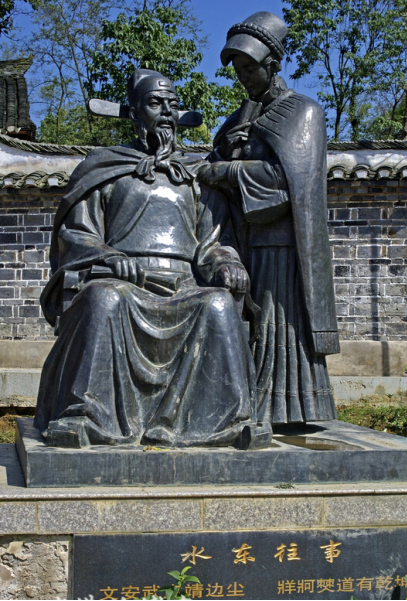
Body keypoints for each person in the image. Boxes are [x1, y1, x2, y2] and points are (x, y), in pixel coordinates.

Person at [34, 69, 271, 449]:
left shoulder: (196, 177)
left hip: (184, 284)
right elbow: (76, 234)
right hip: (123, 280)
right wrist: (108, 256)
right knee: (105, 298)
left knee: (218, 304)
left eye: (172, 105)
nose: (165, 113)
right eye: (155, 103)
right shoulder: (105, 169)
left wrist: (227, 263)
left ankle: (228, 421)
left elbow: (214, 242)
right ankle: (87, 416)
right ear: (134, 112)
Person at [198, 12, 340, 425]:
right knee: (249, 328)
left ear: (273, 64)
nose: (242, 77)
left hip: (283, 249)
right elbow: (208, 172)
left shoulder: (303, 112)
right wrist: (225, 153)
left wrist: (229, 170)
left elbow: (288, 182)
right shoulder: (238, 119)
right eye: (237, 69)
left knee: (278, 331)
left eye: (249, 67)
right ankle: (242, 404)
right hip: (242, 244)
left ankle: (287, 408)